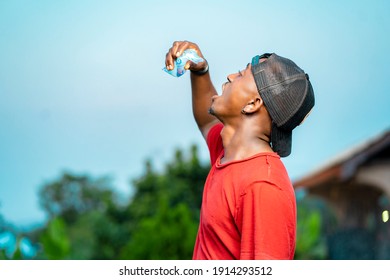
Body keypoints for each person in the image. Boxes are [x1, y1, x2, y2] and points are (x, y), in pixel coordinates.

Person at [164, 41, 315, 260]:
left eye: (241, 75)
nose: (230, 76)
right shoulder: (229, 154)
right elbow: (207, 122)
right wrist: (200, 71)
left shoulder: (263, 185)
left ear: (253, 103)